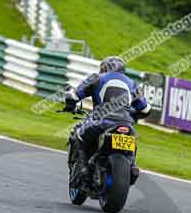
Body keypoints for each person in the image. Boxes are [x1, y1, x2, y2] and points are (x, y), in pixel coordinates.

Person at [64, 56, 151, 186]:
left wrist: (70, 104)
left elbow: (75, 96)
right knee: (133, 139)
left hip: (101, 121)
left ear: (103, 68)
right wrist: (132, 117)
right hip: (126, 124)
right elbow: (145, 109)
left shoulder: (97, 78)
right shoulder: (132, 84)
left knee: (77, 133)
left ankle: (83, 169)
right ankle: (132, 167)